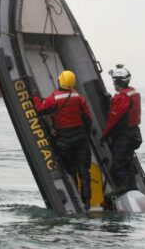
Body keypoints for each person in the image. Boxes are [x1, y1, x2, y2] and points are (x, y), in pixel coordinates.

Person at [32, 70, 92, 210]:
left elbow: (40, 109)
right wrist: (85, 134)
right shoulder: (79, 97)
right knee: (84, 171)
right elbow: (87, 119)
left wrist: (35, 96)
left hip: (64, 138)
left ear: (60, 81)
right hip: (80, 137)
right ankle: (87, 201)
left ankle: (75, 200)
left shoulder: (55, 98)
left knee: (70, 171)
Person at [102, 65, 142, 195]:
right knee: (127, 161)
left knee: (118, 164)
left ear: (117, 82)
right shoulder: (133, 92)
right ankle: (132, 187)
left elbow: (114, 117)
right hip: (134, 133)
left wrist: (105, 134)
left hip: (125, 135)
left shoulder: (121, 98)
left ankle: (123, 188)